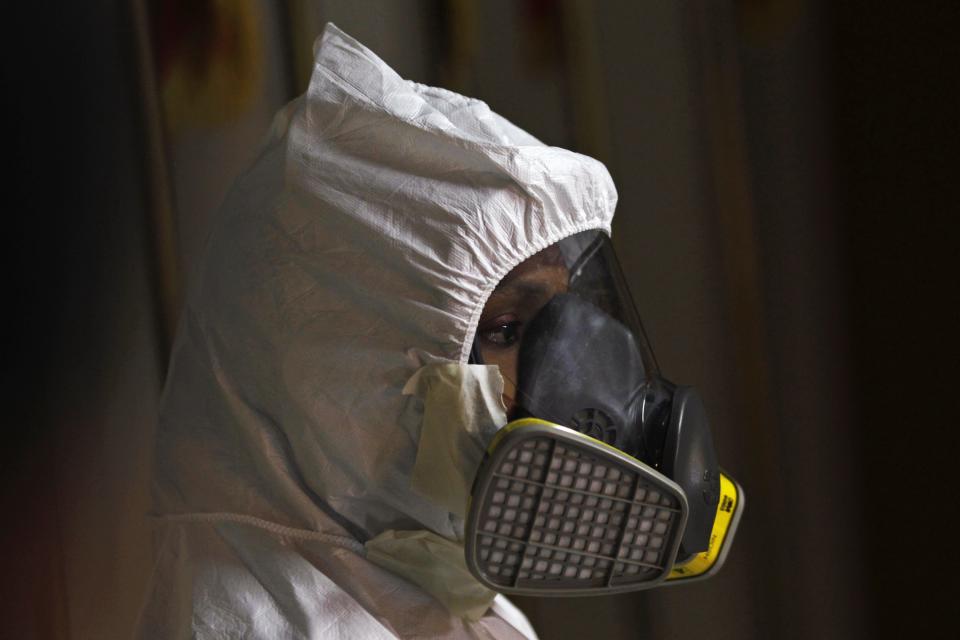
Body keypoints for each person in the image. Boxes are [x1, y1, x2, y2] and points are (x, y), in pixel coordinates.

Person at [138, 23, 739, 639]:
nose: (583, 374)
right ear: (348, 380)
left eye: (571, 314)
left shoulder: (432, 591)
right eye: (508, 327)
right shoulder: (252, 624)